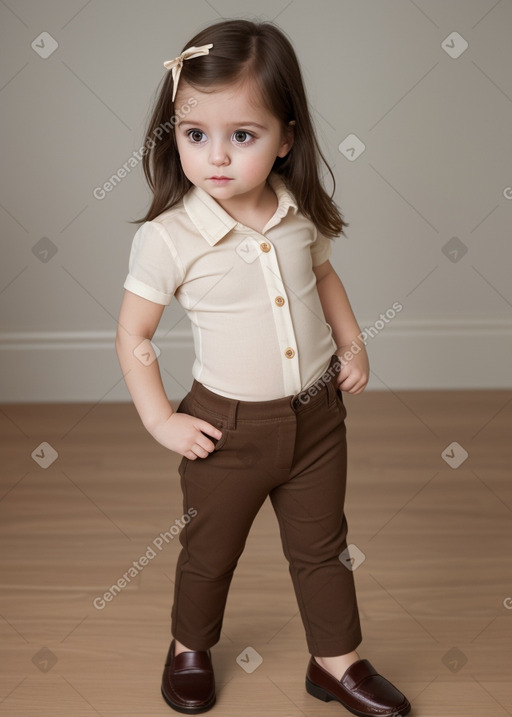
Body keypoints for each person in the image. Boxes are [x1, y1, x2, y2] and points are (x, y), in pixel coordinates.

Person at [115, 18, 411, 717]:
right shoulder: (171, 239)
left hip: (316, 420)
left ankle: (335, 659)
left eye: (242, 136)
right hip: (225, 430)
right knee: (209, 550)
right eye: (195, 135)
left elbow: (325, 278)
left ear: (287, 138)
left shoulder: (298, 215)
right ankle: (189, 644)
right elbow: (134, 332)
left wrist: (353, 343)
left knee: (323, 547)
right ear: (174, 135)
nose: (216, 157)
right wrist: (162, 418)